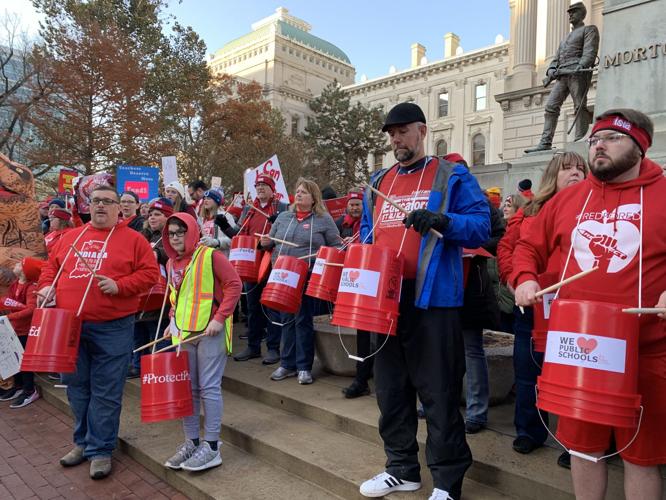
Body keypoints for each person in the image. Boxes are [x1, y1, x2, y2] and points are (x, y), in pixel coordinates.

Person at [514, 109, 665, 499]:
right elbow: (527, 245)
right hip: (580, 351)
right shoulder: (569, 199)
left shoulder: (664, 194)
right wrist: (525, 278)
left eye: (612, 138)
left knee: (642, 456)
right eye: (595, 139)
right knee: (584, 449)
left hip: (646, 350)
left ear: (640, 146)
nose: (599, 145)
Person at [358, 102, 489, 500]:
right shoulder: (379, 181)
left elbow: (483, 226)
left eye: (403, 131)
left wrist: (444, 222)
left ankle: (447, 482)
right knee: (392, 392)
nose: (396, 139)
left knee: (439, 393)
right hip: (386, 302)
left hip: (434, 303)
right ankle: (401, 468)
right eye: (391, 133)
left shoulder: (451, 175)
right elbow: (368, 233)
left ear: (422, 131)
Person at [36, 185, 159, 480]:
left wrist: (120, 286)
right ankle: (83, 443)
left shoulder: (134, 239)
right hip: (70, 325)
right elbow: (50, 268)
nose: (101, 206)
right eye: (96, 201)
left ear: (119, 208)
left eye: (108, 202)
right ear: (88, 206)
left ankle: (101, 449)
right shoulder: (69, 237)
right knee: (77, 389)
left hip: (113, 326)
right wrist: (45, 287)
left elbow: (149, 275)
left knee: (106, 390)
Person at [498, 151, 587, 467]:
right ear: (553, 174)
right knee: (527, 372)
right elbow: (509, 248)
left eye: (581, 168)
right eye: (567, 168)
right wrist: (515, 280)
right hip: (533, 306)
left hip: (576, 310)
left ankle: (573, 441)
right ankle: (530, 430)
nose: (575, 172)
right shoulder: (531, 210)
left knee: (573, 374)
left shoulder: (596, 209)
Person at [162, 213, 241, 471]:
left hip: (210, 332)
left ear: (192, 231)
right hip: (184, 333)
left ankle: (212, 446)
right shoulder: (173, 262)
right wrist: (172, 320)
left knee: (208, 388)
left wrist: (220, 318)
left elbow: (234, 284)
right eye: (171, 233)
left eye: (180, 232)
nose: (175, 238)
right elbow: (178, 295)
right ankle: (192, 442)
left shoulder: (211, 256)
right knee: (189, 390)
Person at [261, 178, 342, 385]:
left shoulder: (324, 219)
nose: (298, 195)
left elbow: (337, 246)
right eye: (297, 191)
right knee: (286, 319)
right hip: (284, 275)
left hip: (307, 275)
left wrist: (320, 259)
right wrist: (265, 243)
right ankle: (287, 364)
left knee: (302, 320)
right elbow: (271, 242)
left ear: (314, 198)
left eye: (303, 192)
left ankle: (304, 366)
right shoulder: (283, 217)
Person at [216, 175, 288, 365]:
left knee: (271, 307)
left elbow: (286, 235)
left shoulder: (282, 208)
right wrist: (224, 226)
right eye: (258, 185)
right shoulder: (249, 209)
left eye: (264, 185)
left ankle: (273, 348)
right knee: (253, 307)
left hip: (271, 262)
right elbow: (239, 235)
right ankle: (253, 346)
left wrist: (271, 240)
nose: (260, 188)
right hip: (250, 264)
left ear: (273, 189)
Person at [525, 2, 599, 152]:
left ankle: (580, 138)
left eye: (574, 12)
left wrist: (582, 65)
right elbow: (555, 59)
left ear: (582, 14)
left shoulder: (589, 30)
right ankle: (545, 143)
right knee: (551, 106)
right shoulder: (565, 38)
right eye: (570, 12)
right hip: (561, 75)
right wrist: (551, 70)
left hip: (576, 73)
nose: (570, 15)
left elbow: (590, 52)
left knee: (579, 106)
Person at [128, 197, 174, 379]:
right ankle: (138, 365)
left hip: (159, 294)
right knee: (139, 333)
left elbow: (173, 252)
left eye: (158, 214)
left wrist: (157, 253)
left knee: (158, 333)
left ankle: (159, 368)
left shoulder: (170, 235)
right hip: (142, 293)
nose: (152, 217)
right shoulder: (144, 235)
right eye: (151, 214)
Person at [336, 191, 372, 398]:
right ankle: (361, 378)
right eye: (352, 204)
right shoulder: (341, 223)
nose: (355, 208)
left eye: (358, 204)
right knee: (362, 332)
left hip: (372, 276)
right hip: (353, 278)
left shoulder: (372, 221)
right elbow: (333, 245)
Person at [0, 257, 44, 407]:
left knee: (25, 361)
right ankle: (18, 386)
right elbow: (8, 301)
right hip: (14, 328)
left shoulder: (32, 287)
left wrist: (8, 317)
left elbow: (31, 310)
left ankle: (30, 390)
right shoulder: (14, 285)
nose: (16, 265)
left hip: (25, 330)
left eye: (20, 264)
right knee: (15, 359)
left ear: (26, 271)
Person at [199, 189, 234, 257]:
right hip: (206, 258)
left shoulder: (225, 216)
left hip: (221, 258)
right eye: (204, 198)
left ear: (216, 201)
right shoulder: (203, 219)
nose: (205, 200)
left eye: (209, 198)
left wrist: (216, 242)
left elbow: (233, 239)